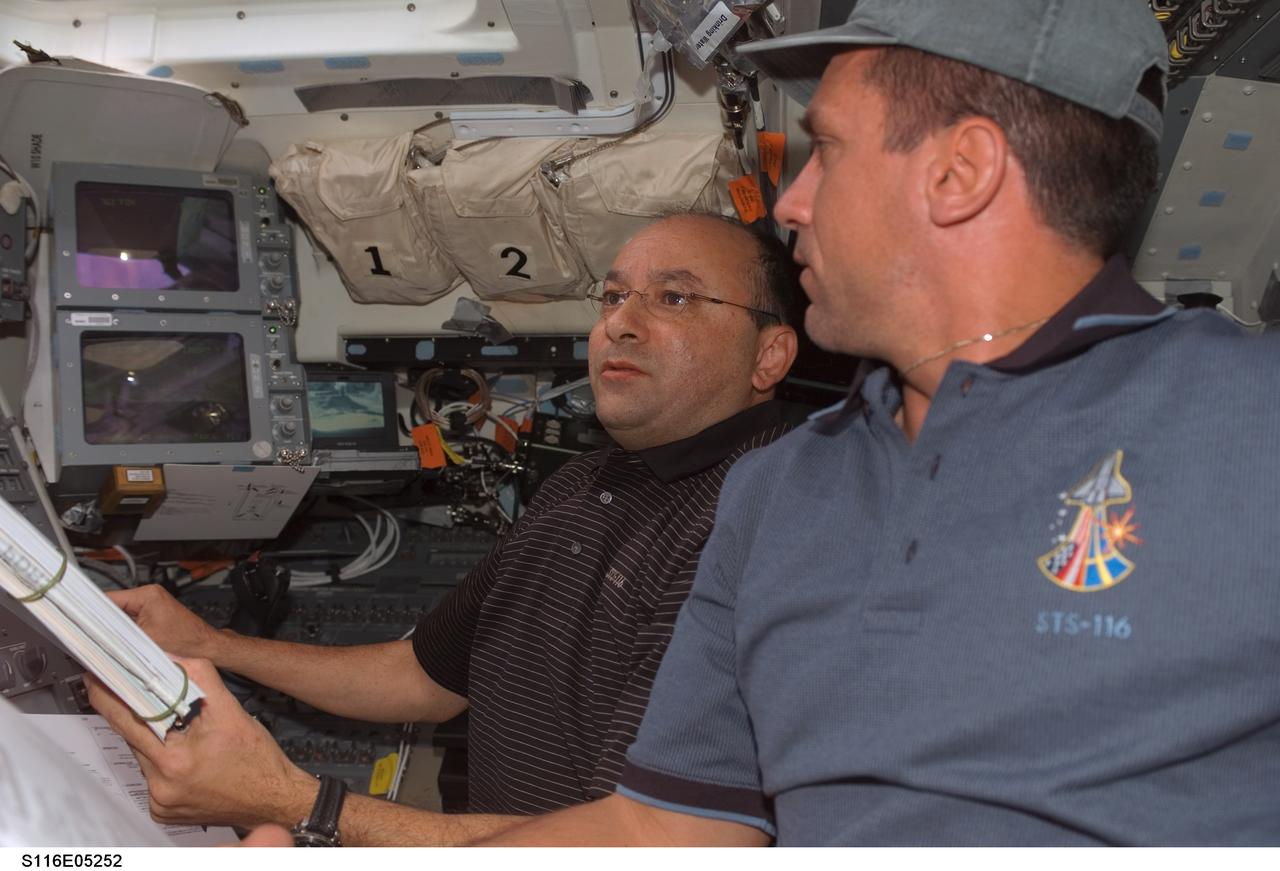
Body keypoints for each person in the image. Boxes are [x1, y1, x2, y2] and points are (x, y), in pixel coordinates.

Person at [478, 0, 1280, 846]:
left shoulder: (1249, 421)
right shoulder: (776, 488)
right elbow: (662, 830)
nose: (789, 206)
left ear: (960, 171)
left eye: (824, 150)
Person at [86, 211, 800, 845]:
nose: (621, 321)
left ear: (769, 355)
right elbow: (425, 674)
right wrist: (211, 643)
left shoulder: (761, 520)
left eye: (673, 297)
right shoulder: (586, 483)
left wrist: (295, 801)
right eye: (613, 296)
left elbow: (639, 842)